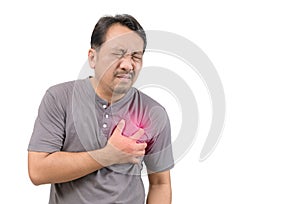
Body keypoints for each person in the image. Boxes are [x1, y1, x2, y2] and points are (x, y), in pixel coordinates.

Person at [28, 14, 174, 204]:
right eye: (117, 54)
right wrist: (108, 155)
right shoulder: (59, 98)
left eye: (135, 56)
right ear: (93, 58)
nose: (128, 65)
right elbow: (38, 171)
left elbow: (160, 184)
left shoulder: (153, 112)